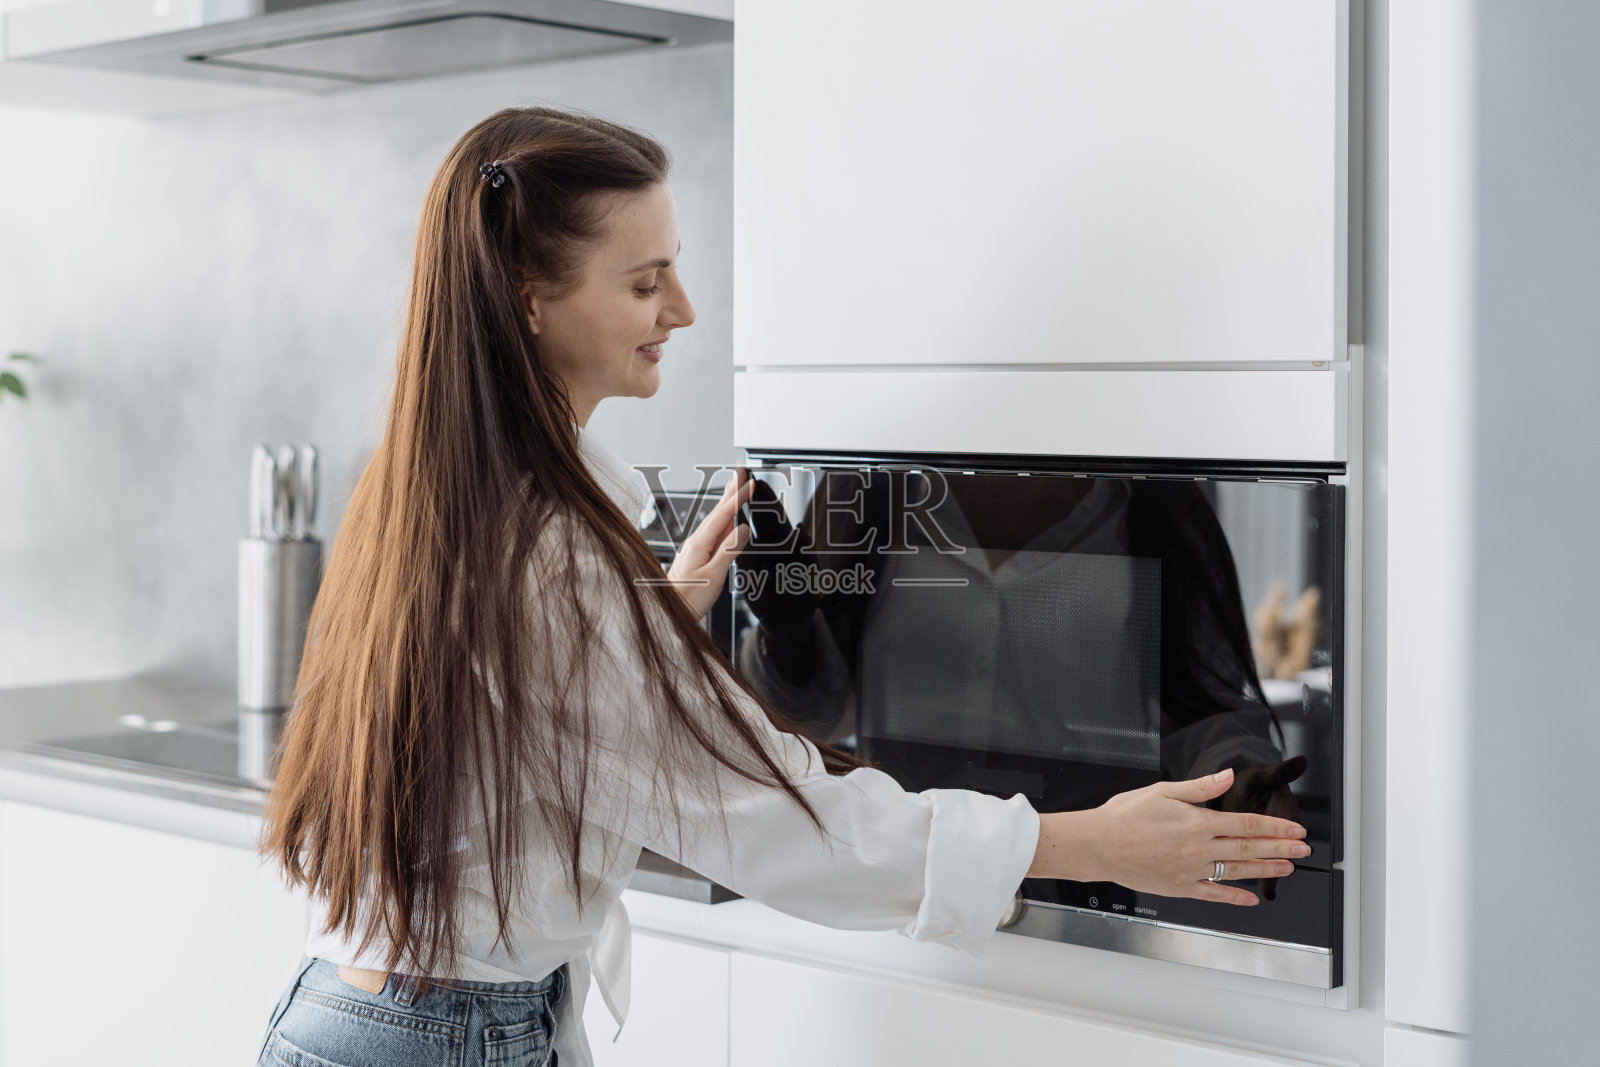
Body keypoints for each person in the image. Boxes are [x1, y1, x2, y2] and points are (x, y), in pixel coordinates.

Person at [253, 106, 1310, 1067]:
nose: (684, 308)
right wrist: (1085, 838)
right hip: (445, 1036)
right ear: (531, 300)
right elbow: (783, 819)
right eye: (643, 280)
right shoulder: (557, 557)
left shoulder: (434, 490)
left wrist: (654, 622)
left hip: (356, 1013)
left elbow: (519, 712)